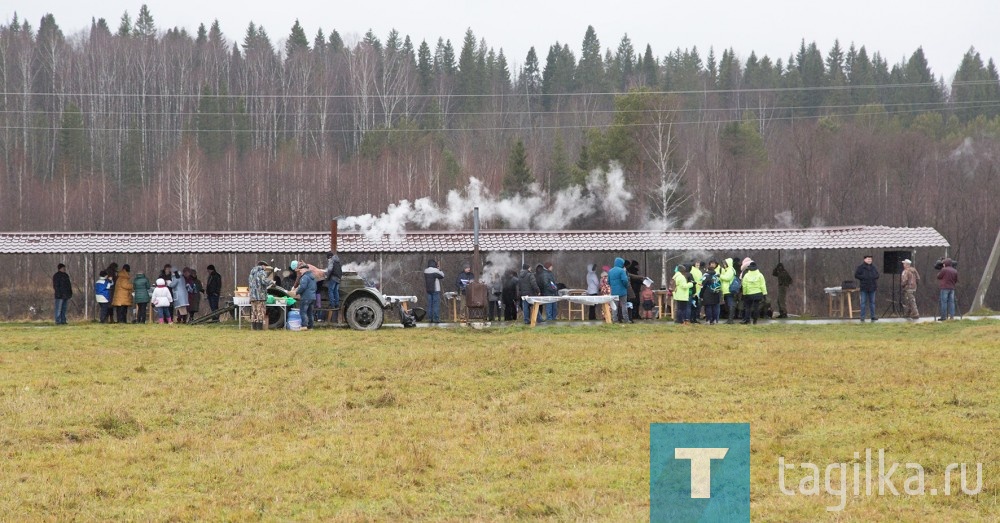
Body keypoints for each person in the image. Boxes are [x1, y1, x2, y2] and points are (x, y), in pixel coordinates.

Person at [248, 261, 274, 330]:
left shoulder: (252, 272)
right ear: (263, 266)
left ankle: (254, 327)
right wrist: (271, 282)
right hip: (260, 296)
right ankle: (259, 328)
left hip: (253, 296)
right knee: (260, 312)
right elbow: (264, 281)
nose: (265, 268)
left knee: (254, 312)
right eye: (265, 266)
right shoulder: (262, 272)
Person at [854, 255, 880, 322]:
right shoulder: (860, 267)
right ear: (865, 260)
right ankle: (862, 317)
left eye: (871, 259)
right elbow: (856, 275)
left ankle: (873, 316)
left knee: (872, 303)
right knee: (863, 303)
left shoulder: (874, 267)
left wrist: (874, 277)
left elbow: (877, 275)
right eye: (868, 259)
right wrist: (863, 277)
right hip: (864, 287)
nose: (870, 260)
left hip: (872, 287)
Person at [609, 258, 632, 324]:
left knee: (614, 306)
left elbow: (608, 281)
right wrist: (626, 286)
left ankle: (615, 320)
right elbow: (625, 280)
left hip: (614, 292)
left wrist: (613, 286)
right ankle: (626, 319)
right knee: (624, 305)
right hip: (622, 291)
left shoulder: (610, 271)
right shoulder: (622, 271)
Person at [424, 259, 445, 324]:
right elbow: (442, 276)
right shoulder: (435, 271)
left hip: (428, 290)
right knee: (436, 305)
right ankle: (436, 318)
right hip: (435, 289)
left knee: (430, 305)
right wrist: (439, 269)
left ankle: (430, 318)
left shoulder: (425, 271)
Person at [324, 251, 343, 322]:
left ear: (329, 257)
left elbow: (329, 269)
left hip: (333, 278)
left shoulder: (331, 261)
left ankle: (332, 304)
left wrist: (327, 277)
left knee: (330, 291)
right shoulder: (337, 261)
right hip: (338, 278)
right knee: (336, 291)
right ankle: (337, 304)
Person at [297, 265, 317, 330]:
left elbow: (302, 287)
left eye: (301, 270)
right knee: (310, 312)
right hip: (313, 297)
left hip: (306, 297)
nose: (300, 272)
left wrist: (297, 292)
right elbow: (315, 288)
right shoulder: (313, 277)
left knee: (303, 311)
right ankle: (310, 327)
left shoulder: (305, 277)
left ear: (305, 269)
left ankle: (304, 326)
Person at [719, 258, 738, 324]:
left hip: (729, 290)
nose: (724, 265)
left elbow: (727, 278)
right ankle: (729, 319)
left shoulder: (730, 270)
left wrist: (720, 275)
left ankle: (730, 319)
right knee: (728, 304)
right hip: (727, 290)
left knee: (730, 304)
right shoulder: (728, 270)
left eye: (725, 263)